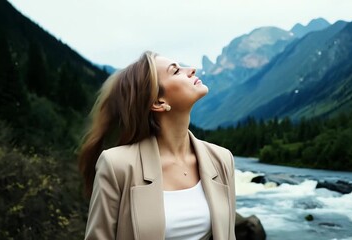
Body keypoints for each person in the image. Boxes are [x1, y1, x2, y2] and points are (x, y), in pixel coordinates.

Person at [78, 51, 236, 240]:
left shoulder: (221, 159)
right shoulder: (116, 165)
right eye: (176, 71)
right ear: (158, 102)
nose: (192, 70)